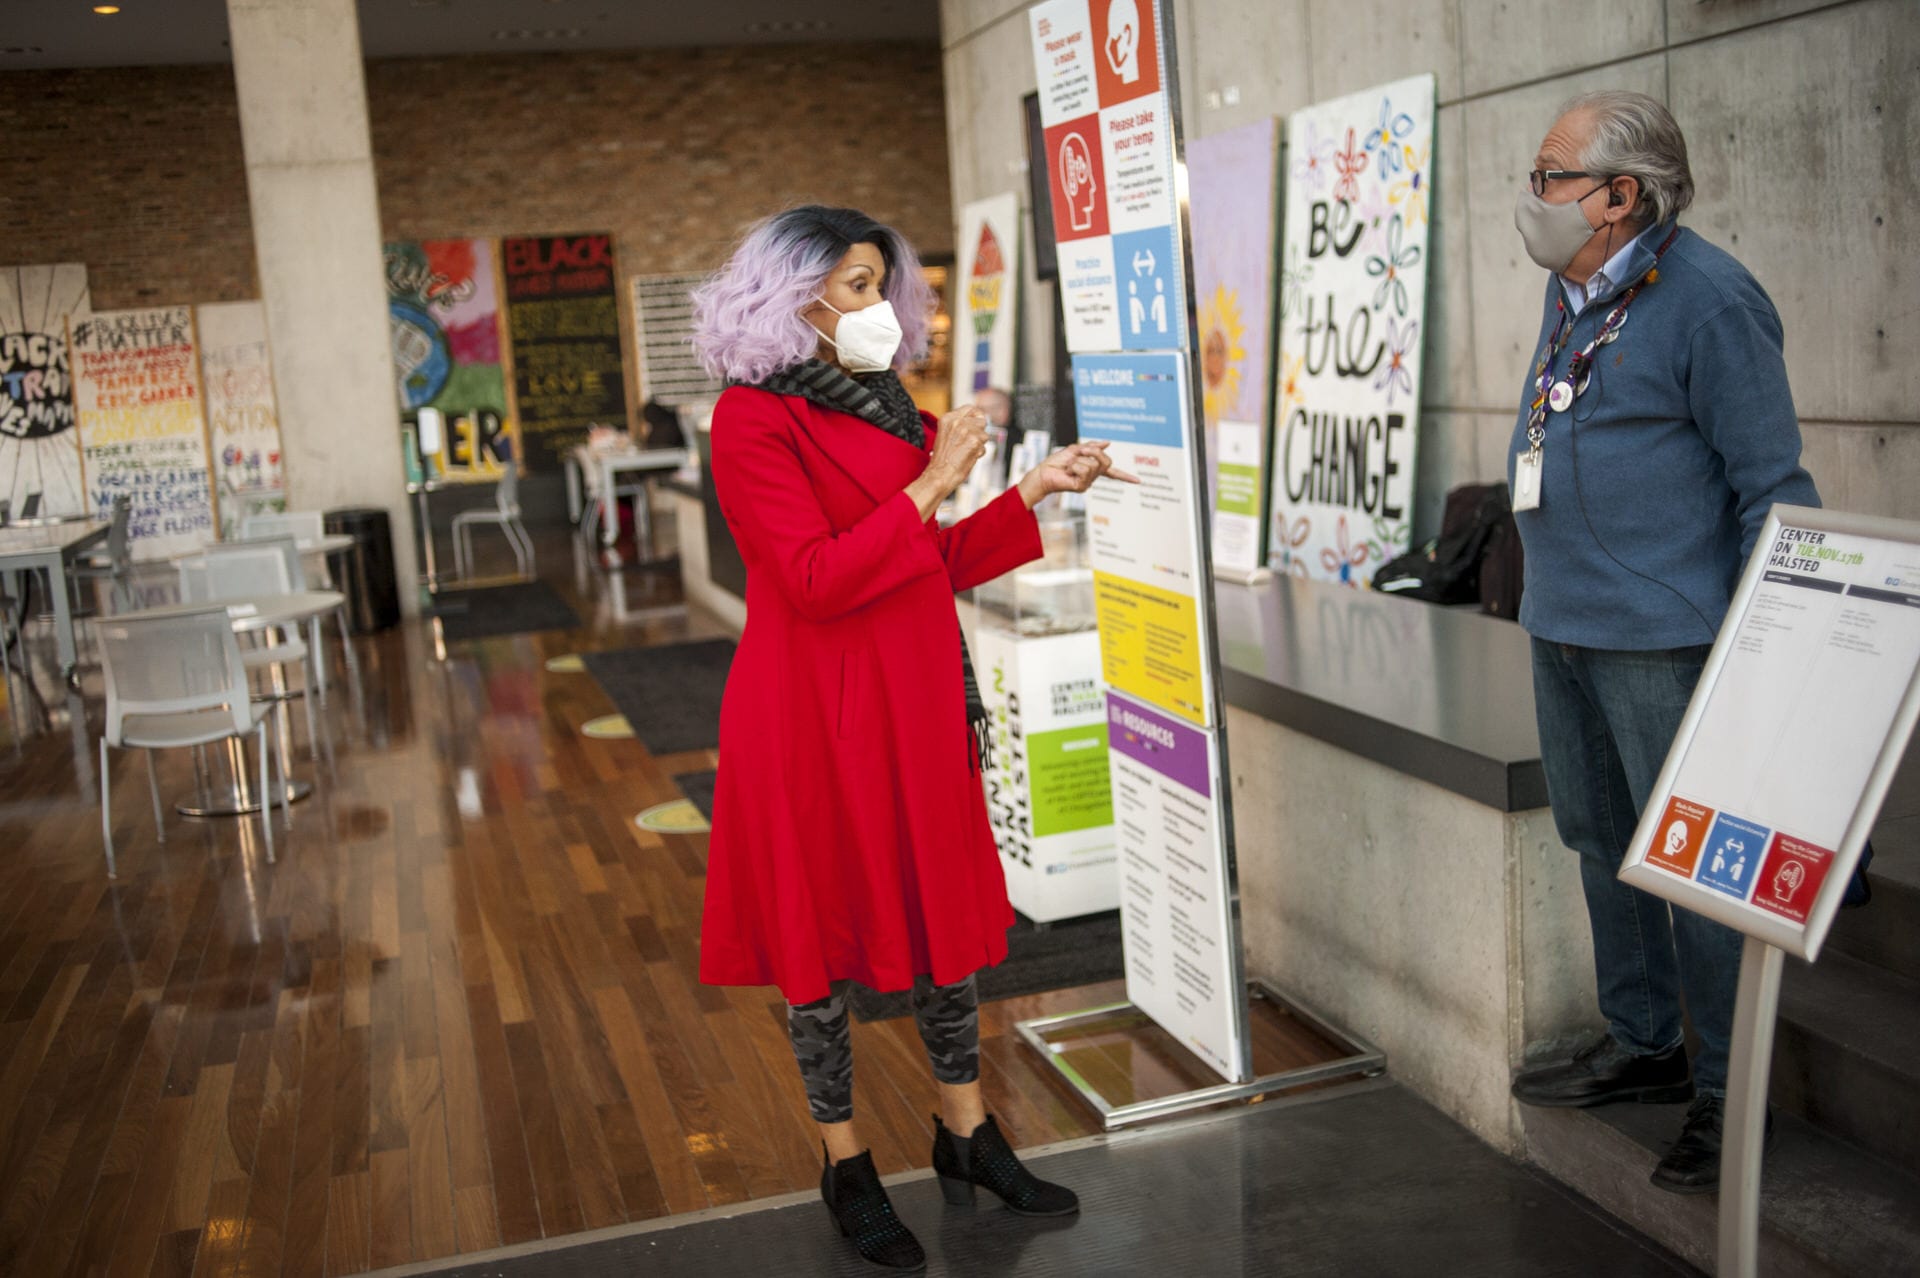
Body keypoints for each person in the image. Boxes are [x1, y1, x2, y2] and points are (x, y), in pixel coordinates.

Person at [691, 205, 1137, 1270]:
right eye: (856, 287)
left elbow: (923, 567)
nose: (881, 309)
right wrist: (936, 481)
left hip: (916, 698)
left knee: (942, 919)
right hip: (810, 713)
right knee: (821, 937)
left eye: (885, 288)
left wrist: (1030, 490)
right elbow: (810, 579)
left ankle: (967, 1132)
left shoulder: (892, 407)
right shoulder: (752, 420)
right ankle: (844, 1159)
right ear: (789, 297)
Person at [1505, 91, 1819, 1193]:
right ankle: (1646, 1046)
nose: (1532, 196)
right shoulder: (1573, 288)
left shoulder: (1711, 301)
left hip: (1668, 642)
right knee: (1601, 841)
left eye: (1551, 176)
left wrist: (1760, 655)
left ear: (1621, 195)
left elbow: (1772, 487)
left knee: (1696, 874)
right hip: (1566, 624)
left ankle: (1732, 1098)